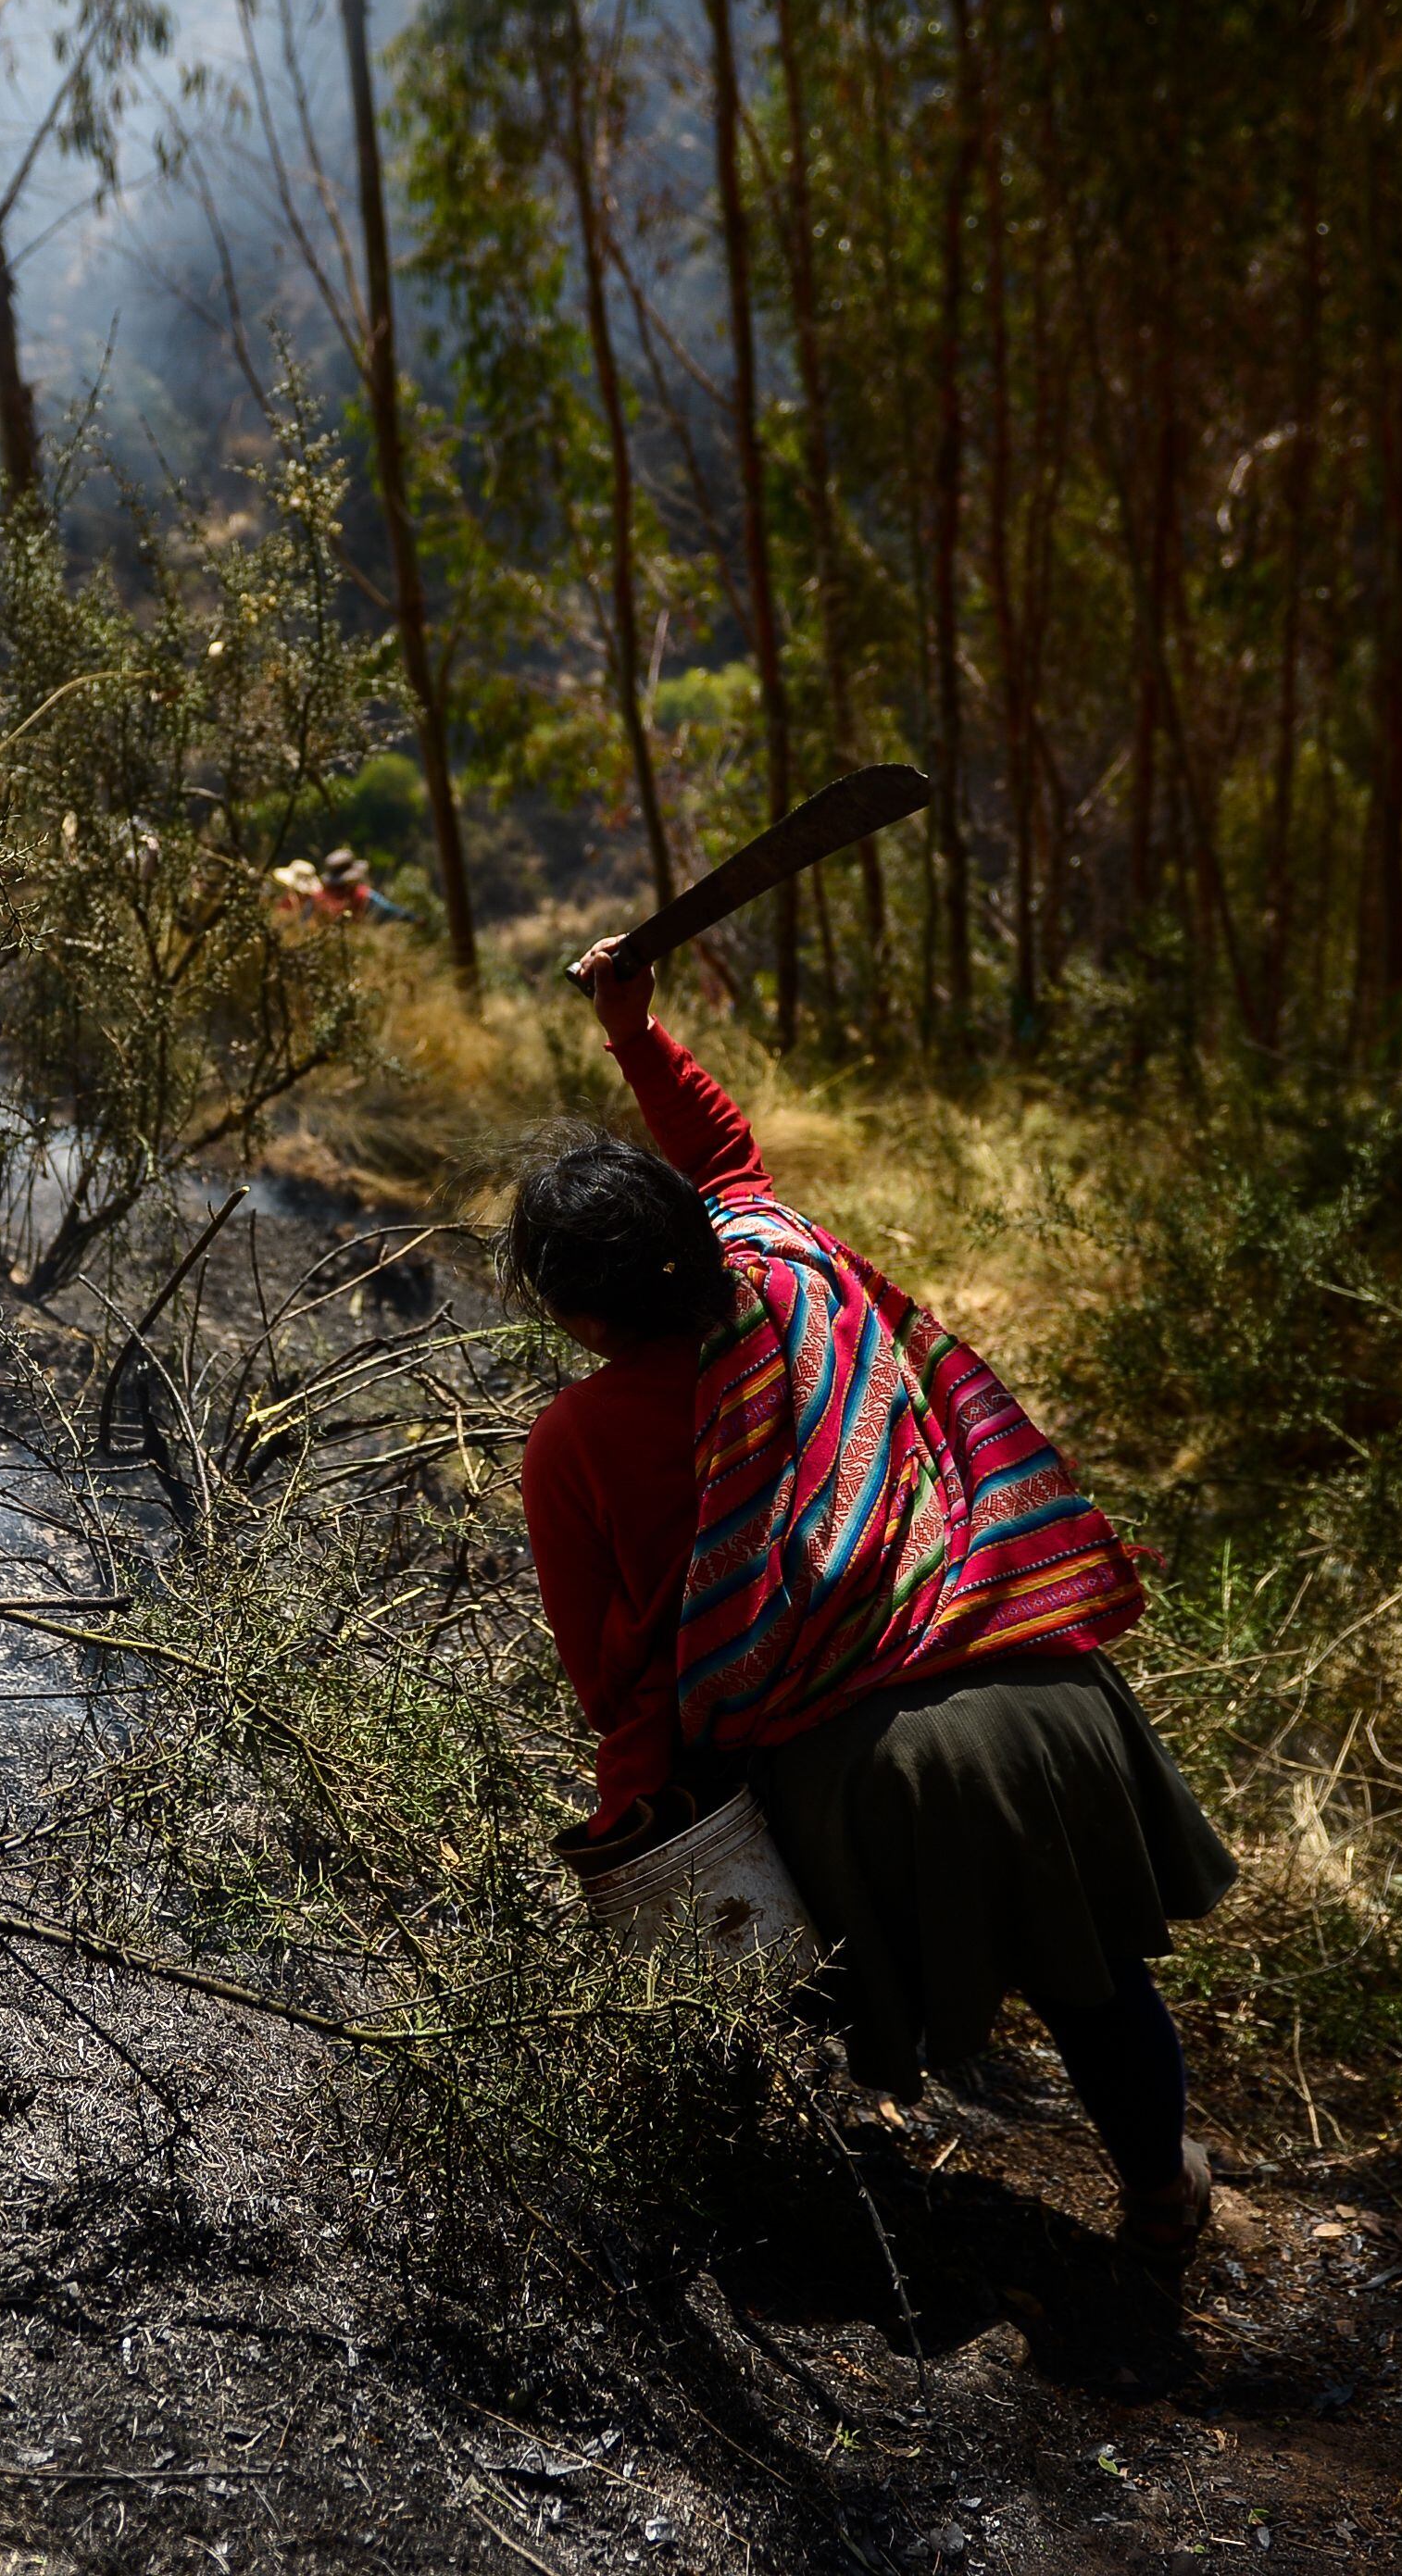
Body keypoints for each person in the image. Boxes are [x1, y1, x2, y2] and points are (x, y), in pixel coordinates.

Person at [513, 935, 1239, 2264]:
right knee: (1094, 1981)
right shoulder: (788, 1274)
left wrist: (645, 1832)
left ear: (573, 1314)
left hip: (875, 1776)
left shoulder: (575, 1441)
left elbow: (617, 1682)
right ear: (690, 1233)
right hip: (1047, 1694)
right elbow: (728, 1155)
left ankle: (733, 2214)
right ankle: (1159, 2198)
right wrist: (636, 1031)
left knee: (757, 1981)